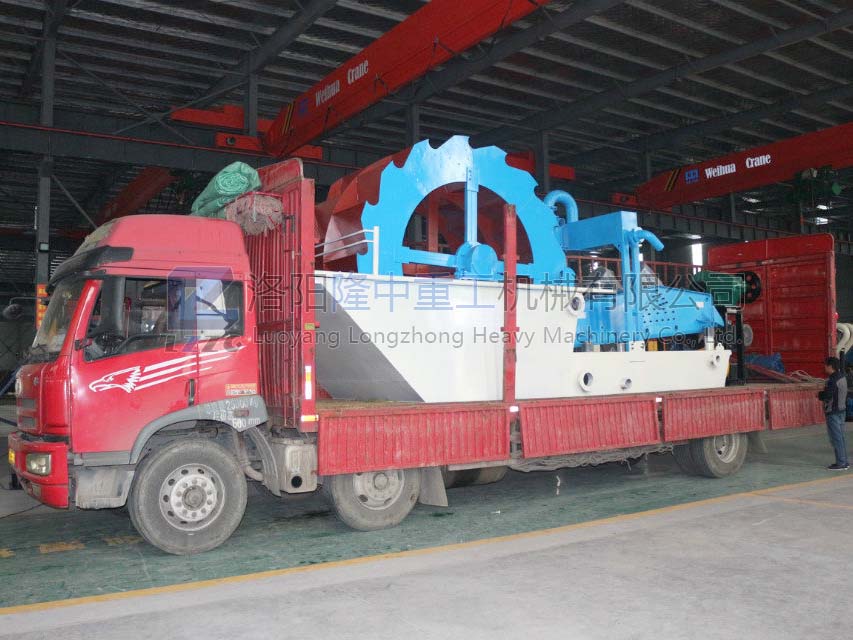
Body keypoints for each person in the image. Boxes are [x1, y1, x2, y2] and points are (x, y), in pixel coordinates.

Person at [818, 357, 849, 471]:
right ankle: (844, 461)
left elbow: (827, 395)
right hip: (841, 411)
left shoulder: (832, 379)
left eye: (825, 365)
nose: (824, 367)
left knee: (836, 438)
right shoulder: (842, 376)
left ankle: (840, 463)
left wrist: (819, 394)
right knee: (840, 437)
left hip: (833, 413)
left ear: (830, 366)